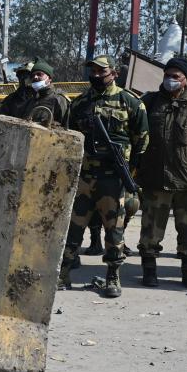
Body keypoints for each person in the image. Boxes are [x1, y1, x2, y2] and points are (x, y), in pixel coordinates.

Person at [60, 55, 149, 298]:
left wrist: (131, 171)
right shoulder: (79, 103)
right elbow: (70, 139)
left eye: (102, 71)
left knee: (114, 230)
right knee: (73, 228)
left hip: (113, 179)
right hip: (85, 178)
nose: (97, 75)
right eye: (94, 71)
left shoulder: (130, 102)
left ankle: (113, 276)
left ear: (114, 73)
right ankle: (63, 273)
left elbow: (142, 140)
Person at [137, 57, 187, 289]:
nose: (170, 80)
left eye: (176, 76)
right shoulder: (149, 102)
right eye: (167, 75)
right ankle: (149, 270)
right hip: (156, 178)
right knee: (151, 230)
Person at [0, 59, 68, 127]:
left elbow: (66, 128)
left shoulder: (58, 100)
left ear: (49, 78)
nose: (35, 77)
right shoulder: (31, 100)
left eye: (39, 74)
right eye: (33, 75)